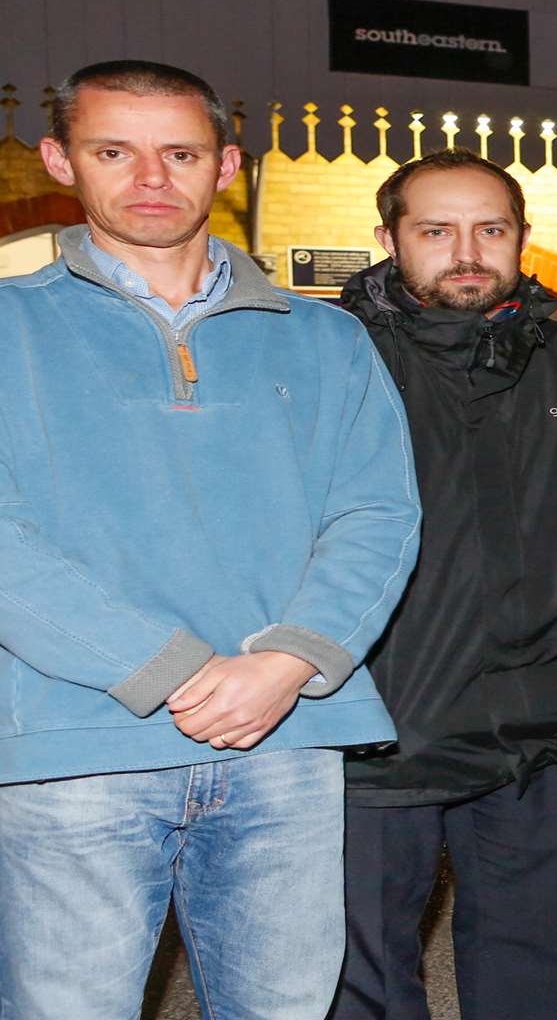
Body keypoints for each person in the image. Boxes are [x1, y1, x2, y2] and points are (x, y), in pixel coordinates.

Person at [0, 60, 420, 1018]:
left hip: (287, 735)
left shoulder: (326, 341)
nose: (152, 177)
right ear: (62, 159)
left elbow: (378, 514)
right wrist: (168, 669)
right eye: (115, 151)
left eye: (180, 153)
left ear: (226, 165)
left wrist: (287, 664)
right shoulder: (9, 328)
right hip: (77, 747)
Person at [326, 148, 557, 1020]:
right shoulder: (331, 357)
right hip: (375, 733)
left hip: (538, 729)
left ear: (521, 239)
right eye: (436, 230)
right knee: (360, 973)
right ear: (389, 239)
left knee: (528, 961)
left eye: (490, 229)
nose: (466, 250)